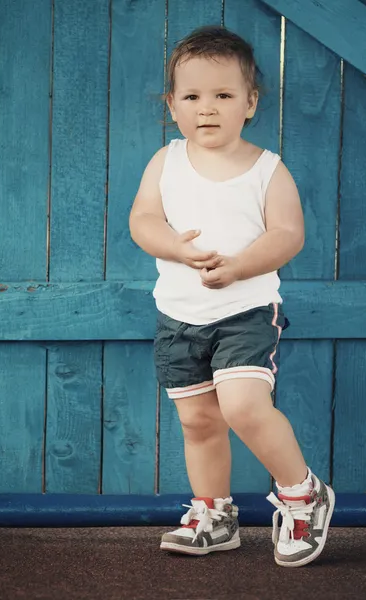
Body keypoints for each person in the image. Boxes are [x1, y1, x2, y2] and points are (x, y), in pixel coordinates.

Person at [129, 25, 335, 568]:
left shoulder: (267, 169)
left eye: (223, 95)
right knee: (198, 421)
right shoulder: (166, 161)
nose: (207, 109)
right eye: (192, 96)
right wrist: (173, 245)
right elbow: (143, 220)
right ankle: (213, 514)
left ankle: (302, 493)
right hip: (179, 316)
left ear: (250, 102)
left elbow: (287, 234)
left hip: (244, 312)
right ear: (172, 105)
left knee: (243, 405)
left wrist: (239, 265)